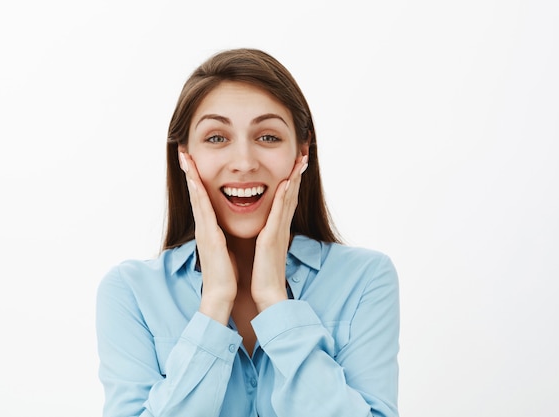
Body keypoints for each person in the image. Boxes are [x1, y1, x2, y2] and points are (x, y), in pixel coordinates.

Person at [96, 48, 400, 417]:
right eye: (216, 138)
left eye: (268, 137)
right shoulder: (131, 292)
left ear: (302, 151)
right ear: (183, 156)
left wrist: (275, 302)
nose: (244, 163)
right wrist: (215, 304)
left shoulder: (365, 279)